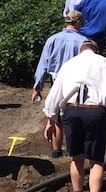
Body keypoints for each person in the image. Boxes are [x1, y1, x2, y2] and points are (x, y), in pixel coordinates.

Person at [42, 40, 106, 192]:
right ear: (96, 50)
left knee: (76, 158)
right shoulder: (105, 63)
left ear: (80, 51)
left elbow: (55, 93)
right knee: (96, 161)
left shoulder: (69, 64)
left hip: (72, 111)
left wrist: (50, 121)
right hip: (95, 112)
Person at [31, 10, 89, 158]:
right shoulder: (83, 42)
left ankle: (56, 153)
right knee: (73, 117)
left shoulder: (53, 39)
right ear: (77, 23)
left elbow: (43, 65)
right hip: (76, 84)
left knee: (56, 117)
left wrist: (37, 88)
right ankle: (73, 152)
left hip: (57, 82)